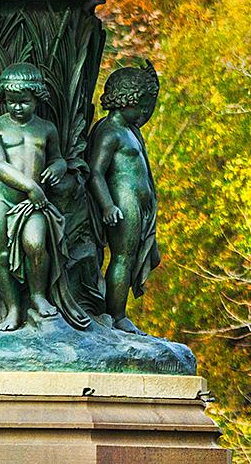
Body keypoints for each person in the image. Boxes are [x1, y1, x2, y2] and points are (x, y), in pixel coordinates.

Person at [0, 62, 91, 330]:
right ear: (3, 100)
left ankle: (38, 297)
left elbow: (57, 158)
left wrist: (57, 167)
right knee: (3, 256)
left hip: (35, 202)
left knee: (35, 245)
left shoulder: (46, 128)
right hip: (2, 197)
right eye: (12, 102)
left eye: (24, 102)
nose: (18, 107)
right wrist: (30, 186)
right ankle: (13, 309)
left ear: (36, 99)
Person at [88, 61, 161, 333]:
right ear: (125, 100)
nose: (144, 111)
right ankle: (116, 316)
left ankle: (119, 313)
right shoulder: (110, 132)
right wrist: (107, 205)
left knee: (130, 258)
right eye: (140, 104)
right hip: (122, 202)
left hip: (140, 204)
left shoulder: (132, 132)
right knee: (122, 257)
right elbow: (95, 172)